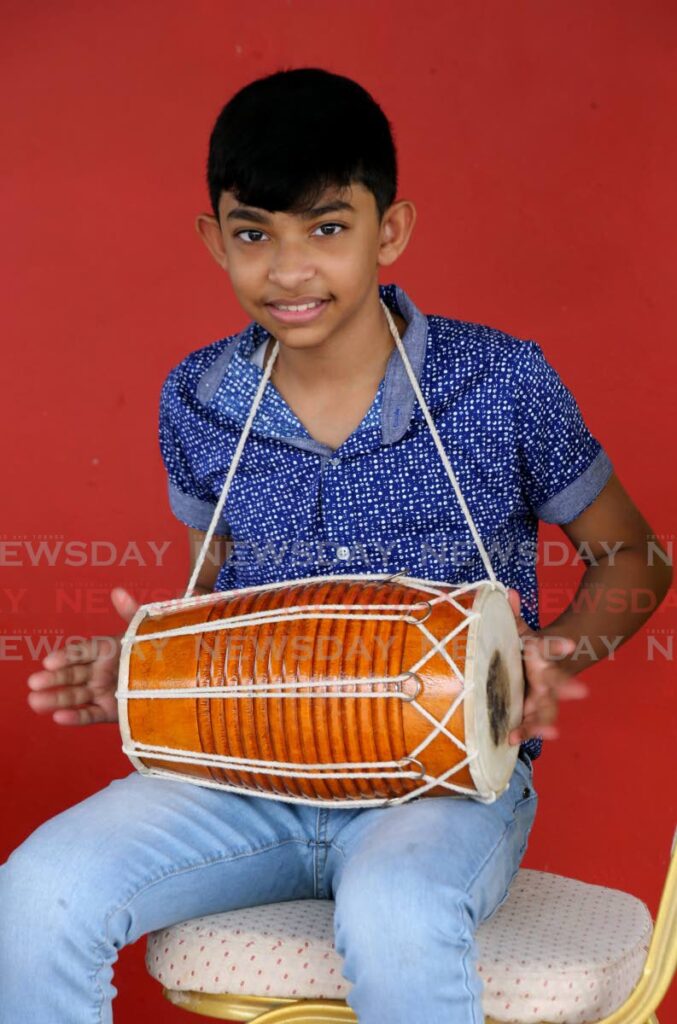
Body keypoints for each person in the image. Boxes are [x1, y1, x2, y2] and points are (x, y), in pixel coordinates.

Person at [1, 67, 671, 1024]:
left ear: (387, 231)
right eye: (253, 234)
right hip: (246, 776)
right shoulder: (198, 399)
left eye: (326, 228)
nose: (288, 269)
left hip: (436, 788)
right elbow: (219, 595)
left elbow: (636, 559)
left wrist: (549, 654)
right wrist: (143, 666)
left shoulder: (501, 381)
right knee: (38, 893)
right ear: (212, 240)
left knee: (395, 907)